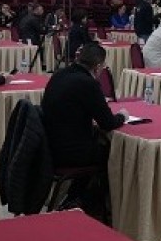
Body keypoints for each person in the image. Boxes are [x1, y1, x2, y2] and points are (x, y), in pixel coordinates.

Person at [42, 43, 126, 218]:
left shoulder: (60, 75)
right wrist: (122, 117)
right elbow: (108, 123)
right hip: (70, 153)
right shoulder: (88, 83)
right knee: (115, 153)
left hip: (50, 145)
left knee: (99, 142)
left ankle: (75, 197)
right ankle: (99, 206)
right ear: (98, 67)